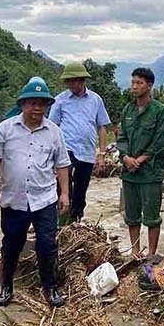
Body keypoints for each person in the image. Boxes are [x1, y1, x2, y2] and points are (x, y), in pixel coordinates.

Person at [0, 77, 71, 308]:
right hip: (14, 199)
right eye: (32, 103)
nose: (37, 108)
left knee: (47, 245)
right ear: (22, 104)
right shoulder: (6, 128)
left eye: (42, 104)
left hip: (44, 199)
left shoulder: (54, 132)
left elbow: (62, 164)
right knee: (11, 244)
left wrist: (64, 193)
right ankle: (6, 287)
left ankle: (50, 288)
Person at [117, 68, 164, 258]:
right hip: (129, 172)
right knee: (131, 215)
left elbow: (160, 141)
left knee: (152, 216)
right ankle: (135, 251)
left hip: (150, 173)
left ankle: (152, 254)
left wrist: (140, 159)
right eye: (132, 82)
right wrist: (125, 157)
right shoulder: (127, 110)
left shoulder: (160, 111)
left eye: (139, 83)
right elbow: (121, 136)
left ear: (149, 85)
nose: (134, 86)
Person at [49, 62, 111, 223]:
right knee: (64, 185)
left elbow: (102, 127)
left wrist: (102, 154)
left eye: (76, 80)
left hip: (87, 151)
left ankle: (75, 218)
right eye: (69, 81)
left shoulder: (95, 100)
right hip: (66, 149)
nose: (73, 84)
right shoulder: (60, 101)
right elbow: (52, 127)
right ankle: (61, 220)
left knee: (81, 190)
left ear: (83, 80)